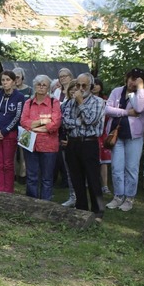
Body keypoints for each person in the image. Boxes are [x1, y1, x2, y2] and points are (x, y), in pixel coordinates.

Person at [104, 68, 144, 212]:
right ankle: (118, 196)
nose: (133, 82)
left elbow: (139, 108)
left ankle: (129, 198)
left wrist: (140, 89)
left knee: (131, 168)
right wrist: (126, 112)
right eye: (132, 78)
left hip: (134, 136)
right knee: (117, 167)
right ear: (127, 78)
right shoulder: (117, 91)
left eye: (137, 79)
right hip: (116, 135)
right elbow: (107, 109)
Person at [62, 72, 106, 220]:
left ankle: (98, 210)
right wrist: (78, 121)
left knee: (93, 177)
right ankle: (81, 208)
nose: (80, 88)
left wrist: (81, 103)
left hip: (89, 143)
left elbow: (90, 120)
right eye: (78, 85)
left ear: (91, 86)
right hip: (73, 143)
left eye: (84, 85)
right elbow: (65, 121)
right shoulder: (69, 102)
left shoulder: (98, 102)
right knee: (76, 178)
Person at [20, 74, 61, 199]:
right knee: (31, 176)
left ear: (48, 88)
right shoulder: (28, 102)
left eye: (44, 85)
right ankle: (32, 203)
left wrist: (34, 127)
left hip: (49, 146)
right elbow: (24, 122)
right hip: (31, 145)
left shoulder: (54, 103)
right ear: (34, 86)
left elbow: (55, 124)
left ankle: (45, 204)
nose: (41, 87)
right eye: (39, 84)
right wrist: (43, 121)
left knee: (47, 178)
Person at [0, 71, 26, 193]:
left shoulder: (19, 97)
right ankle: (0, 190)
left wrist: (4, 131)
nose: (5, 82)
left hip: (9, 134)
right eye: (3, 80)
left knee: (8, 165)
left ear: (14, 81)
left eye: (8, 80)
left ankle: (8, 192)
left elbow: (17, 116)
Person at [55, 68, 76, 207]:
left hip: (77, 136)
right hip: (61, 132)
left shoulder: (77, 92)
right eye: (60, 76)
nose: (62, 78)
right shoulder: (57, 92)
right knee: (67, 167)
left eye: (65, 76)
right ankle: (72, 196)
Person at [92, 78, 111, 195]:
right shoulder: (85, 99)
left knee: (103, 161)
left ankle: (104, 185)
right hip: (90, 132)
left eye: (97, 84)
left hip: (102, 132)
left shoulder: (106, 100)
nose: (94, 86)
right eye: (92, 84)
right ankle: (90, 182)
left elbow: (109, 116)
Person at [13, 67, 32, 184]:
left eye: (18, 77)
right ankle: (14, 173)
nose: (15, 80)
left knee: (23, 150)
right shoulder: (10, 90)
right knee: (13, 150)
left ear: (23, 78)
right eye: (13, 77)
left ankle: (23, 174)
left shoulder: (29, 91)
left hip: (25, 124)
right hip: (12, 124)